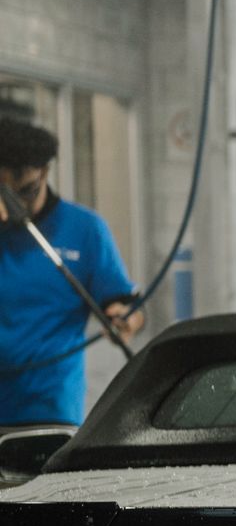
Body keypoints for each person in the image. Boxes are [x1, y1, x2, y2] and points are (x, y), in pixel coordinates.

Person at [0, 118, 144, 428]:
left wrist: (123, 319)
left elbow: (126, 304)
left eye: (25, 192)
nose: (10, 209)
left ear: (45, 173)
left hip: (49, 409)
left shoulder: (84, 229)